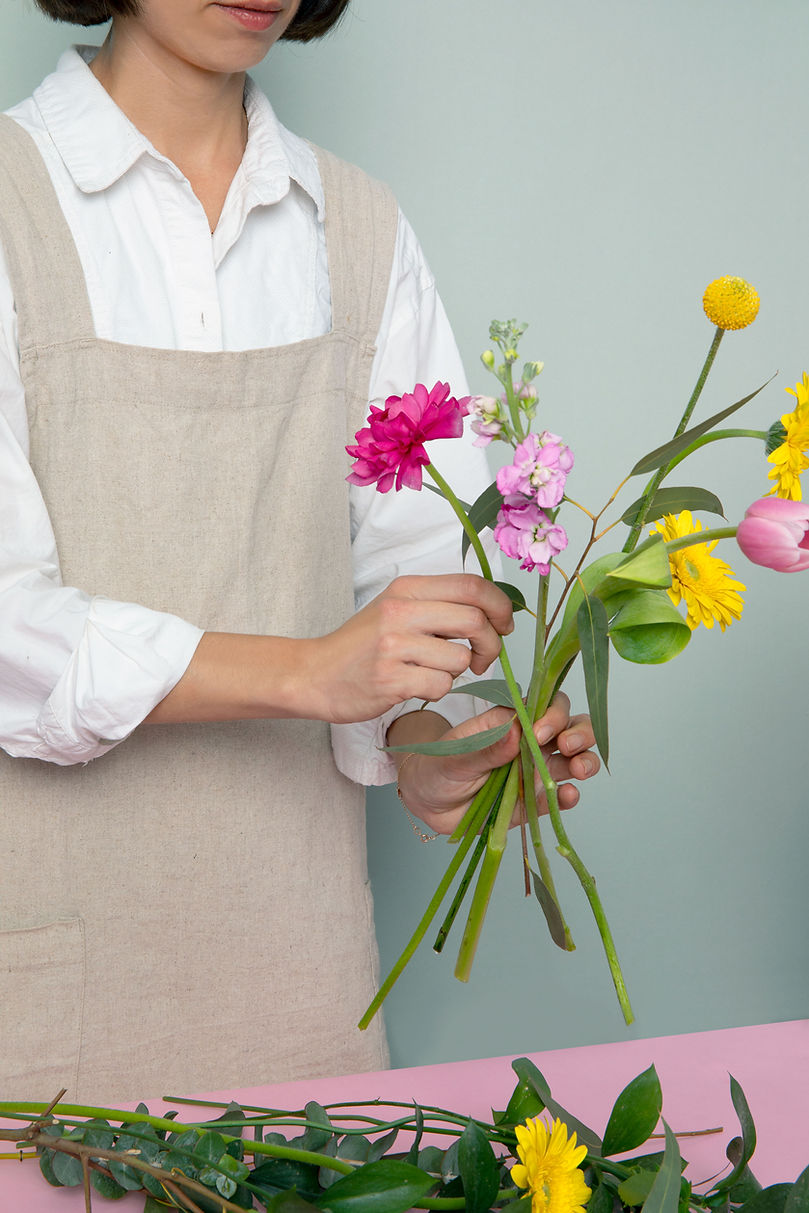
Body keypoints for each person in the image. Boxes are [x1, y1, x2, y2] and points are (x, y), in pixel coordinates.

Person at [0, 0, 598, 1102]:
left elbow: (413, 594)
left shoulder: (358, 228)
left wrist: (435, 755)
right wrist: (306, 668)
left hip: (300, 974)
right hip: (40, 972)